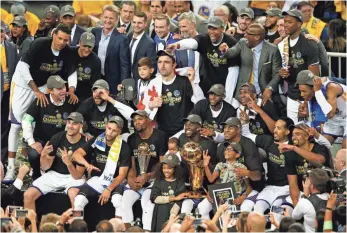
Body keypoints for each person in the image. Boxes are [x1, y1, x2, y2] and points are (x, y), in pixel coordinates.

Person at [4, 24, 77, 183]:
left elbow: (72, 72)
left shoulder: (67, 51)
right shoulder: (39, 44)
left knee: (38, 120)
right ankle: (10, 168)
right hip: (24, 84)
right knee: (16, 126)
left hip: (45, 85)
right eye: (59, 38)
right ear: (53, 35)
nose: (62, 42)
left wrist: (71, 89)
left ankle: (33, 165)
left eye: (66, 40)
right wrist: (36, 91)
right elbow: (23, 68)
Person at [23, 112, 87, 212]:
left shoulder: (85, 143)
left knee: (75, 196)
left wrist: (69, 163)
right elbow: (45, 167)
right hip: (55, 175)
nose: (70, 126)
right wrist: (44, 156)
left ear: (81, 125)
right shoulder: (57, 137)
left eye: (74, 124)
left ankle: (77, 226)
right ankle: (31, 225)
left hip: (73, 177)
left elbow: (77, 176)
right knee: (28, 195)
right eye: (69, 122)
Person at [167, 16, 238, 102]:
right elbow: (193, 42)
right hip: (207, 87)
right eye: (210, 28)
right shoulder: (205, 38)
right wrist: (178, 45)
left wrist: (227, 99)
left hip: (223, 86)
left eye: (215, 29)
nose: (211, 32)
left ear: (222, 29)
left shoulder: (231, 42)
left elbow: (233, 72)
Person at [73, 116, 131, 217]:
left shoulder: (124, 147)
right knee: (78, 201)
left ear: (119, 132)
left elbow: (122, 175)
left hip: (115, 181)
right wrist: (87, 164)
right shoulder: (97, 140)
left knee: (118, 202)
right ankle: (78, 228)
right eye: (109, 128)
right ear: (106, 126)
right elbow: (76, 154)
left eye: (114, 130)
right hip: (98, 179)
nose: (109, 133)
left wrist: (108, 189)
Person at [22, 76, 78, 180]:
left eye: (64, 87)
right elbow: (26, 120)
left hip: (61, 142)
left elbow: (79, 121)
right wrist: (31, 142)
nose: (63, 91)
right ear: (50, 91)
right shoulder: (41, 100)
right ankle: (36, 175)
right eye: (59, 89)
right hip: (42, 141)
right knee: (33, 154)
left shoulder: (70, 101)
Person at [121, 110, 168, 231]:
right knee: (124, 202)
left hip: (154, 179)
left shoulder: (160, 136)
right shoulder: (132, 139)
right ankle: (129, 230)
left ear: (149, 120)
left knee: (146, 204)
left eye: (140, 119)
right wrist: (131, 179)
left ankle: (147, 231)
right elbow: (131, 164)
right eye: (135, 120)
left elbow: (163, 164)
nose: (137, 122)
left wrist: (147, 176)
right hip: (137, 180)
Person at [220, 23, 282, 109]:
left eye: (248, 33)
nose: (244, 35)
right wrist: (224, 51)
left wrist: (269, 88)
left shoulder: (272, 50)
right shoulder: (242, 43)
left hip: (262, 93)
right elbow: (231, 52)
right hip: (242, 93)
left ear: (256, 37)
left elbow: (277, 73)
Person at [278, 9, 319, 123]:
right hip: (291, 94)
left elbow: (314, 76)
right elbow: (280, 68)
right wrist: (281, 73)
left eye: (289, 22)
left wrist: (306, 101)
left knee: (308, 131)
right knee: (293, 130)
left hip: (307, 97)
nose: (285, 25)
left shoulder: (309, 44)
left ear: (299, 24)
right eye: (285, 21)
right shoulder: (282, 44)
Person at [146, 50, 198, 136]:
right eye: (159, 62)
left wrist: (193, 82)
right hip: (161, 132)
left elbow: (198, 101)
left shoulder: (185, 82)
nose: (162, 65)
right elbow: (145, 110)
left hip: (183, 132)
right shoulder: (153, 83)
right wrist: (151, 105)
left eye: (166, 62)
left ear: (174, 65)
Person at [217, 117, 265, 211]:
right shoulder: (222, 147)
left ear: (238, 130)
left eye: (230, 127)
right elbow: (219, 175)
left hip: (252, 188)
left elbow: (258, 176)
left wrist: (247, 173)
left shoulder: (248, 145)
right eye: (225, 127)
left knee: (243, 208)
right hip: (229, 190)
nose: (226, 130)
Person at [280, 125, 332, 206]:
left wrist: (294, 148)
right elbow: (293, 183)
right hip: (302, 193)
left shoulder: (320, 148)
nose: (294, 137)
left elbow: (319, 160)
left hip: (323, 194)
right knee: (283, 209)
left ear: (307, 136)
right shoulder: (290, 154)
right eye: (293, 135)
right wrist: (297, 205)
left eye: (298, 134)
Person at [198, 142, 252, 219]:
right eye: (226, 149)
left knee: (226, 215)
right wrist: (206, 166)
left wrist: (243, 197)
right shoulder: (220, 165)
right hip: (219, 195)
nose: (227, 151)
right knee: (202, 207)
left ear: (237, 155)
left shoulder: (241, 167)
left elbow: (249, 187)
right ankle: (208, 229)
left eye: (230, 150)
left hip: (233, 197)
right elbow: (211, 179)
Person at [296, 71, 346, 147]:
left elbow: (330, 114)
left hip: (342, 116)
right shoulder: (311, 94)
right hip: (335, 119)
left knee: (345, 151)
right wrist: (306, 109)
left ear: (313, 87)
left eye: (304, 91)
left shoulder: (331, 87)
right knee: (320, 148)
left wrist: (318, 91)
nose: (301, 94)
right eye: (300, 91)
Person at [91, 5, 131, 95]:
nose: (108, 21)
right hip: (95, 78)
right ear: (101, 17)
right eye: (105, 17)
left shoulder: (122, 38)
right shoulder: (94, 32)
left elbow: (124, 65)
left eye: (111, 18)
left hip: (113, 82)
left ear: (117, 20)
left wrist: (123, 83)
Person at [150, 153, 186, 232]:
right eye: (164, 168)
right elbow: (154, 198)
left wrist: (172, 217)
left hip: (173, 213)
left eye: (169, 168)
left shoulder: (180, 182)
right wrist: (174, 198)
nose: (166, 170)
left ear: (176, 169)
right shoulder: (159, 180)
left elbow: (179, 202)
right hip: (160, 212)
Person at [292, 168, 330, 232]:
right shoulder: (333, 198)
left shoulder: (305, 202)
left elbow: (295, 216)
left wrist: (305, 195)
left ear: (312, 186)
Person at [128, 11, 156, 83]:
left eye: (139, 23)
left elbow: (152, 67)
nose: (136, 25)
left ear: (145, 24)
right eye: (134, 22)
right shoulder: (128, 37)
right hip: (127, 80)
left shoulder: (149, 43)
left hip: (141, 82)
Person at [73, 32, 101, 101]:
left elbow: (94, 85)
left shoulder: (96, 61)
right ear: (79, 43)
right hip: (66, 93)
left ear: (93, 46)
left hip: (85, 97)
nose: (86, 49)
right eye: (84, 46)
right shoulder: (70, 52)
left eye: (89, 46)